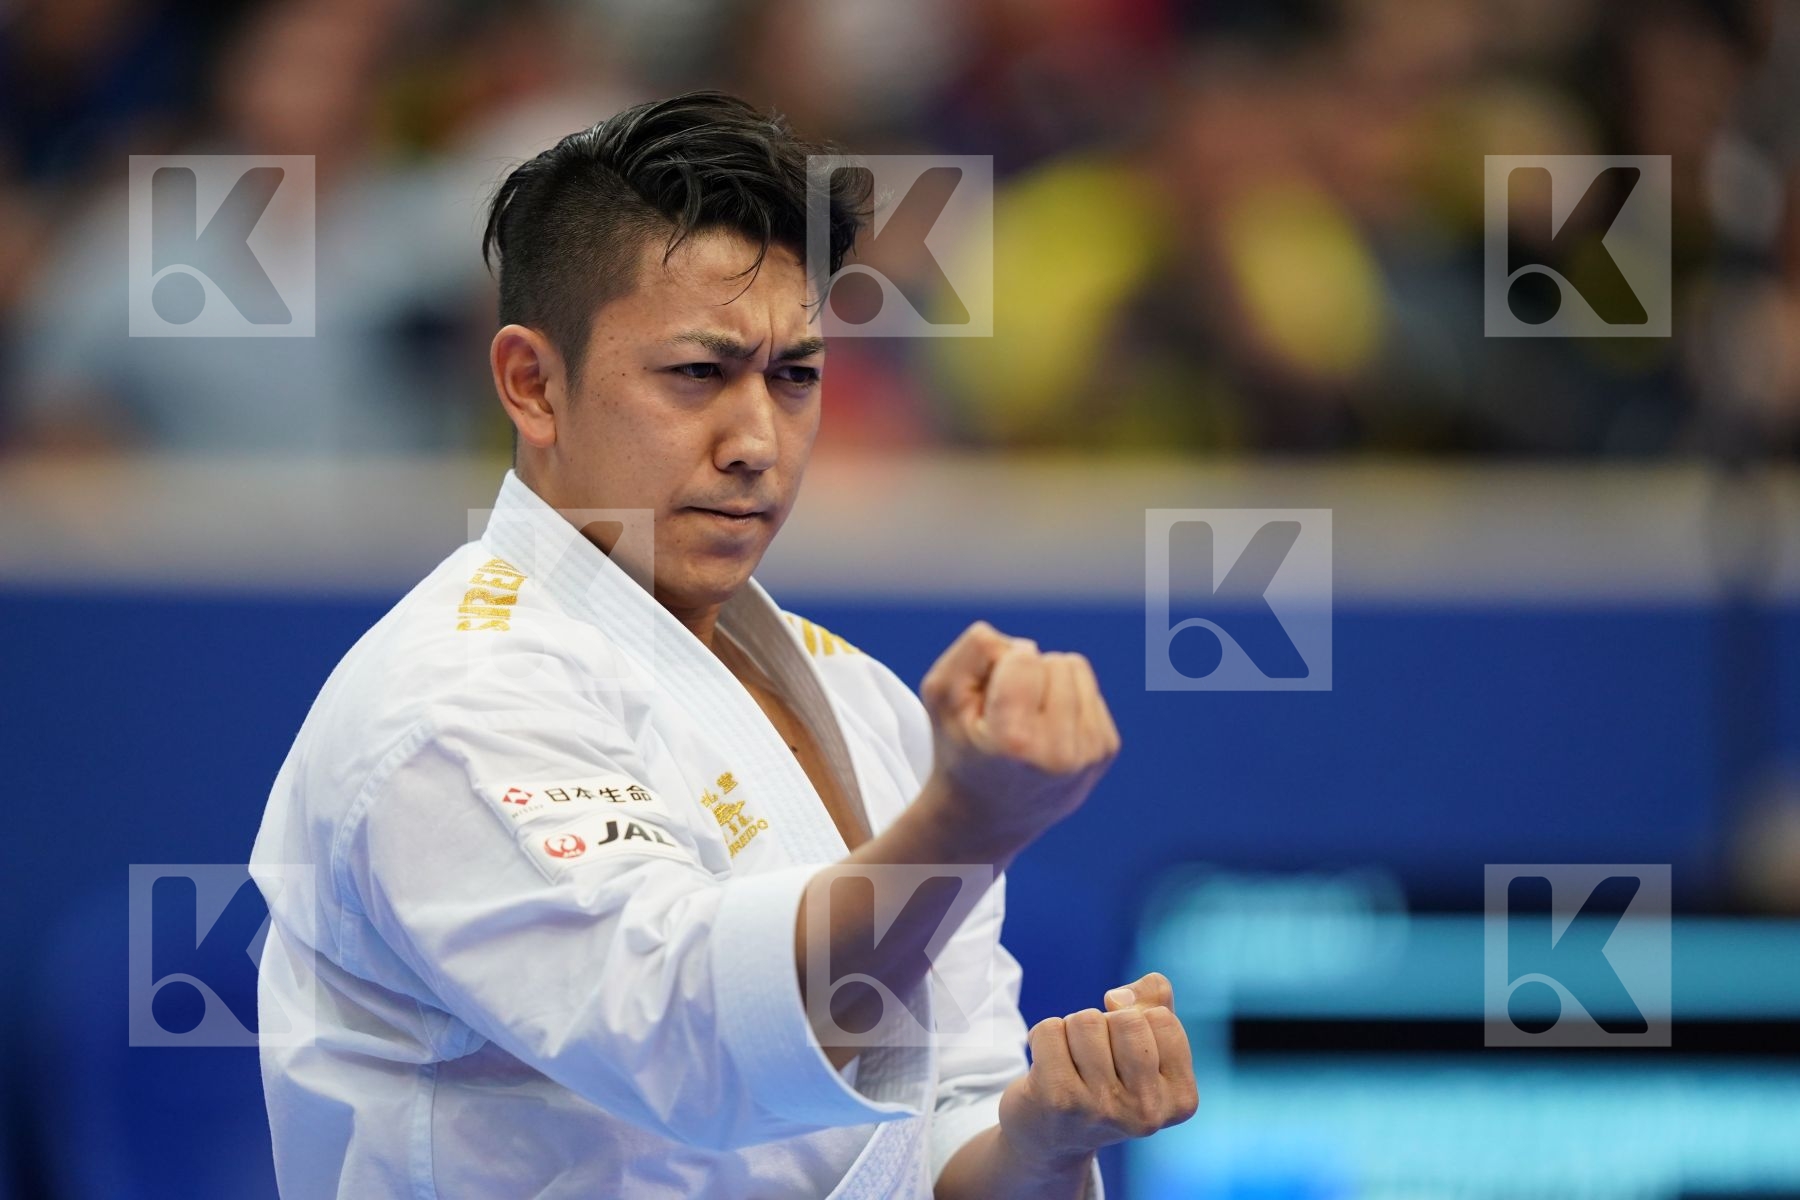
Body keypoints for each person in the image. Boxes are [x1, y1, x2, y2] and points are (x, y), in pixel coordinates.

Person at [250, 90, 1197, 1199]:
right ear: (532, 384)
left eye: (794, 376)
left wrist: (1041, 1136)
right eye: (697, 375)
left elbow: (931, 1136)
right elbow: (690, 1039)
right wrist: (967, 822)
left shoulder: (866, 704)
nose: (757, 442)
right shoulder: (452, 702)